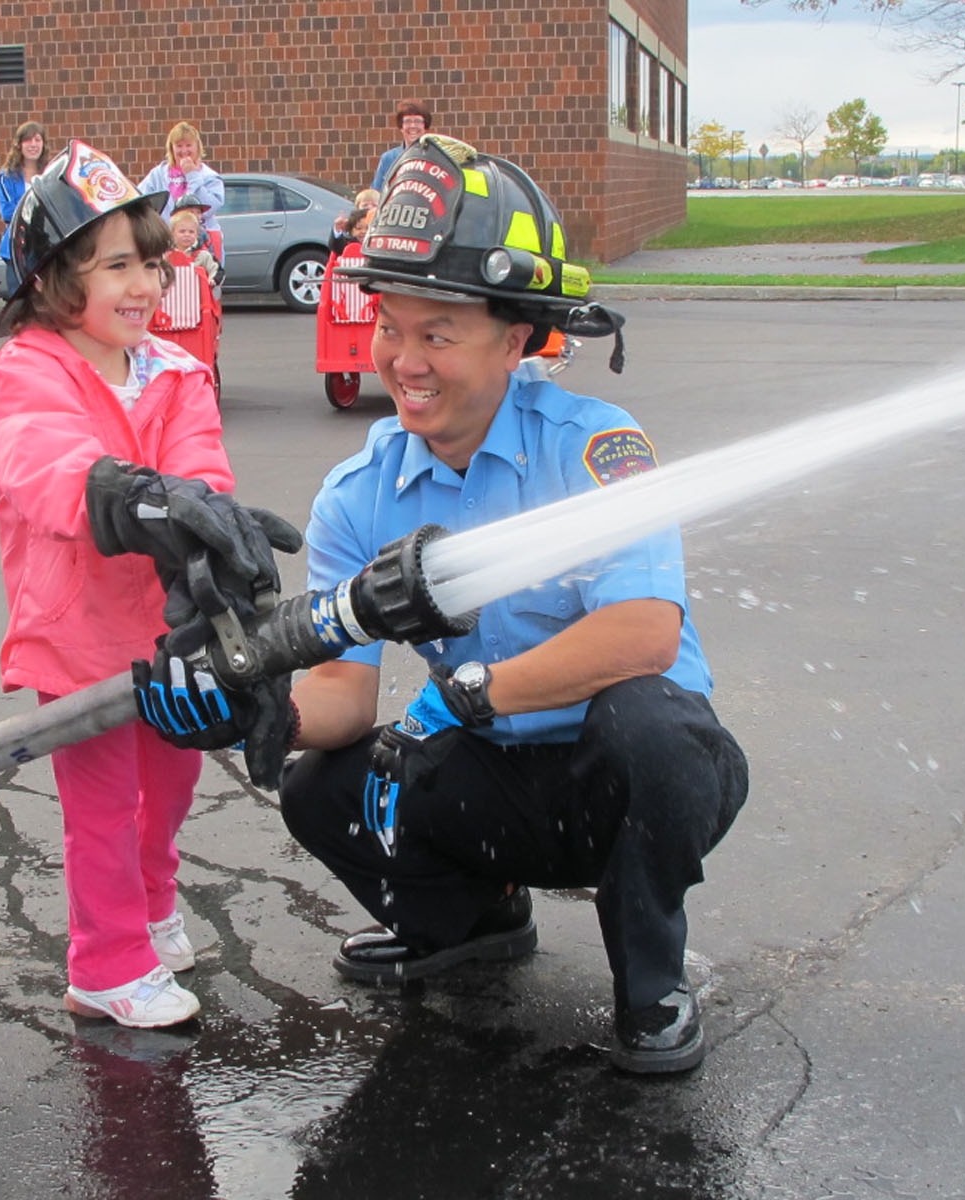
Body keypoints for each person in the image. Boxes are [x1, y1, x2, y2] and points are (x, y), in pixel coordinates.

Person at [135, 135, 746, 1074]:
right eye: (391, 326)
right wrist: (259, 710)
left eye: (438, 334)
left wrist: (466, 696)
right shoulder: (358, 492)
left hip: (615, 773)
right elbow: (345, 693)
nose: (403, 361)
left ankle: (652, 982)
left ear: (514, 339)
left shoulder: (594, 448)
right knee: (320, 789)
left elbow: (644, 634)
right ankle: (475, 919)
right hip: (495, 776)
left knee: (651, 731)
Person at [0, 139, 296, 1030]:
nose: (145, 286)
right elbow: (40, 463)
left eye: (151, 264)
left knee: (171, 783)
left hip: (172, 630)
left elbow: (204, 472)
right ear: (48, 278)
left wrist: (214, 531)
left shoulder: (179, 373)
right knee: (105, 806)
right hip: (79, 636)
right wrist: (128, 495)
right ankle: (106, 965)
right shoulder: (28, 372)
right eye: (116, 264)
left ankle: (153, 908)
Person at [138, 123, 224, 260]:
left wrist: (192, 175)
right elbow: (140, 199)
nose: (184, 150)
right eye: (179, 146)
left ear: (197, 147)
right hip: (167, 244)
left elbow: (212, 206)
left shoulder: (209, 176)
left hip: (202, 246)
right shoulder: (158, 174)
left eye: (188, 145)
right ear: (171, 148)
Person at [0, 120, 47, 261]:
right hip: (16, 248)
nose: (33, 145)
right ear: (19, 145)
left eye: (38, 140)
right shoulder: (6, 176)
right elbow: (7, 213)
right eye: (28, 140)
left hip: (45, 246)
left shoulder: (49, 174)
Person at [371, 100, 431, 190]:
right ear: (401, 127)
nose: (413, 125)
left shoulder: (436, 157)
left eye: (418, 121)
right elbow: (376, 192)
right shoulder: (388, 158)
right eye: (407, 121)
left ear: (425, 126)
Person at [166, 207, 219, 286]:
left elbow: (216, 270)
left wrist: (213, 279)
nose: (187, 235)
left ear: (197, 234)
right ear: (172, 234)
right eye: (182, 231)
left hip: (198, 296)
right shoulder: (165, 255)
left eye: (191, 232)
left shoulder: (203, 255)